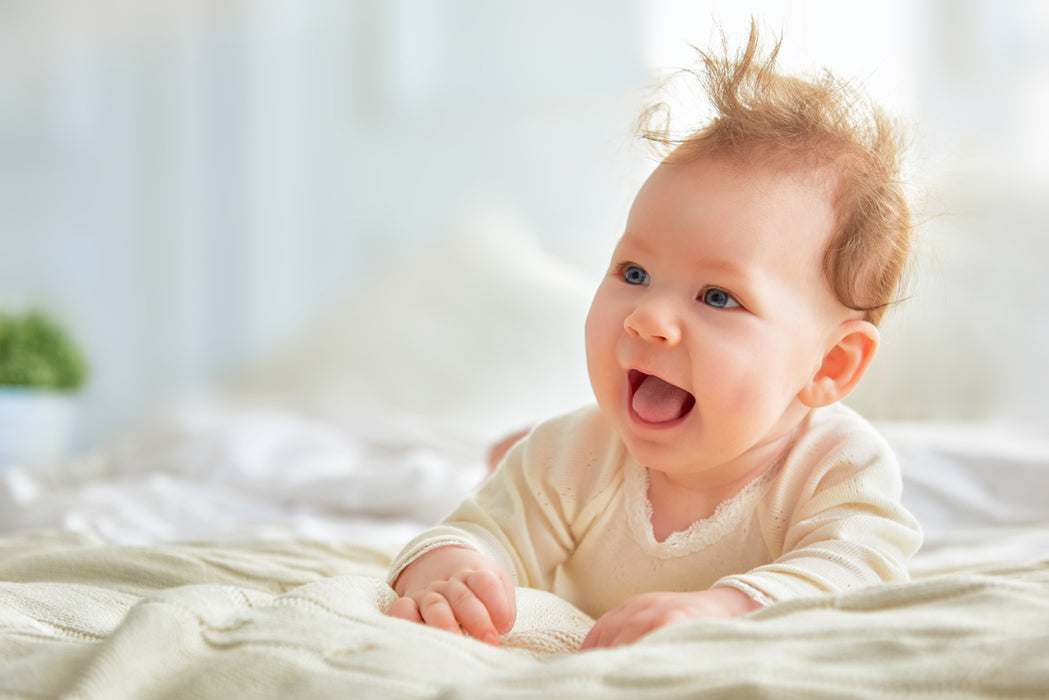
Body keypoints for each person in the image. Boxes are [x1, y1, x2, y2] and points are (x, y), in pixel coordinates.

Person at [386, 24, 922, 651]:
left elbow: (862, 573)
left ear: (830, 363)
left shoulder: (837, 466)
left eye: (718, 296)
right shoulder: (572, 454)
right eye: (634, 273)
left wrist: (724, 608)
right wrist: (455, 571)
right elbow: (466, 534)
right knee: (519, 464)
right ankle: (500, 452)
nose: (646, 318)